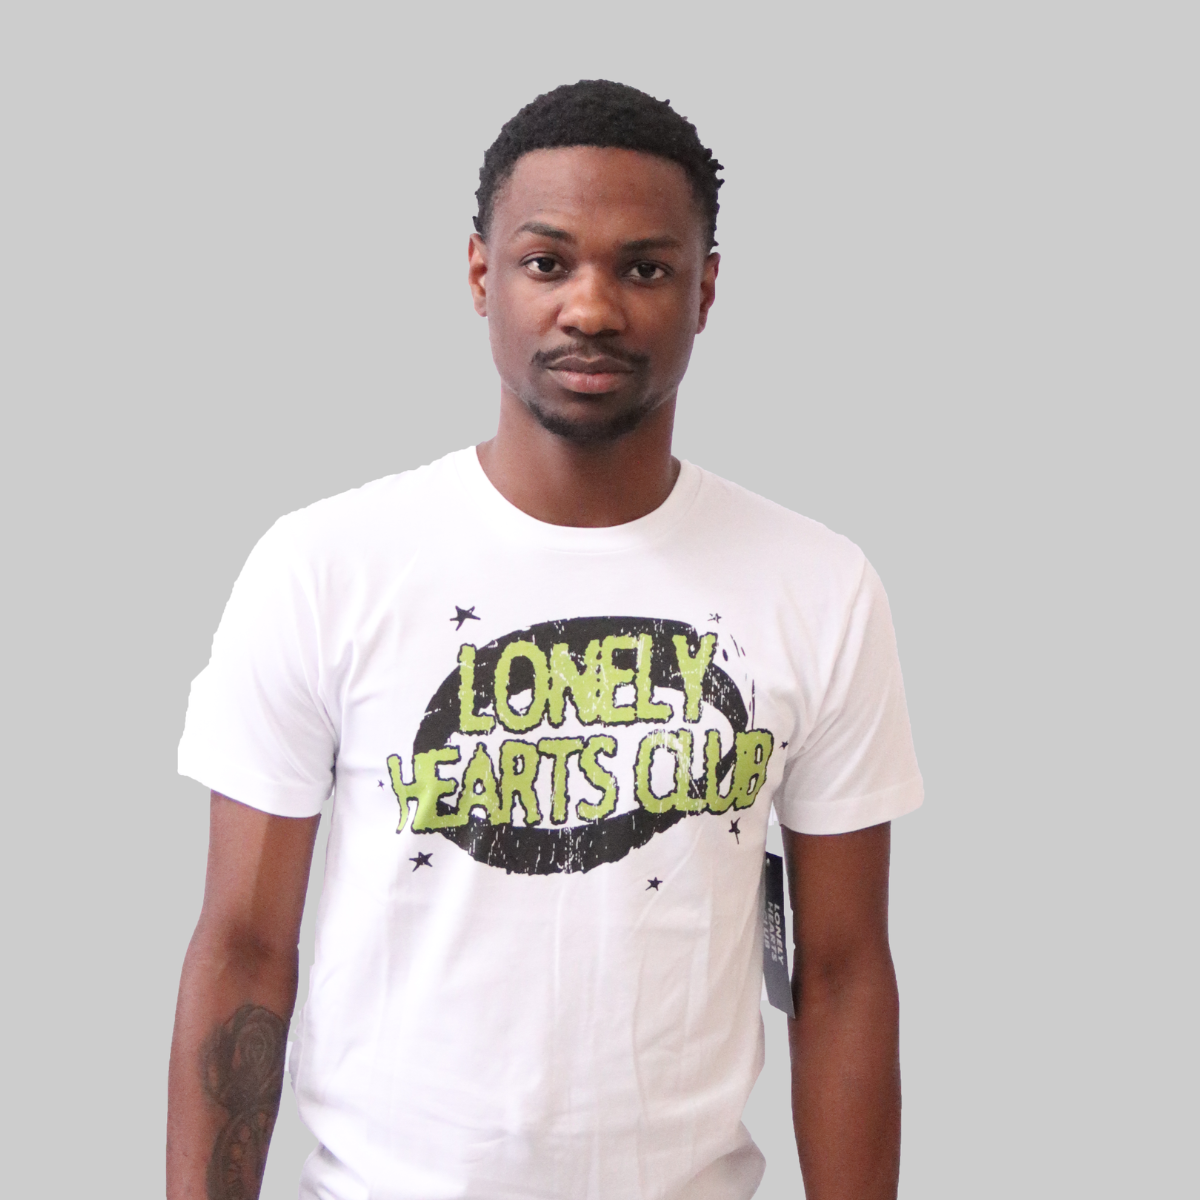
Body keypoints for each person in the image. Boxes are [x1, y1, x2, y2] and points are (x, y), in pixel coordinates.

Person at [167, 79, 923, 1200]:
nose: (592, 308)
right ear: (483, 276)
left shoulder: (818, 585)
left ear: (706, 290)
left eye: (645, 268)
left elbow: (845, 973)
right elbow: (243, 947)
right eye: (547, 262)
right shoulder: (327, 566)